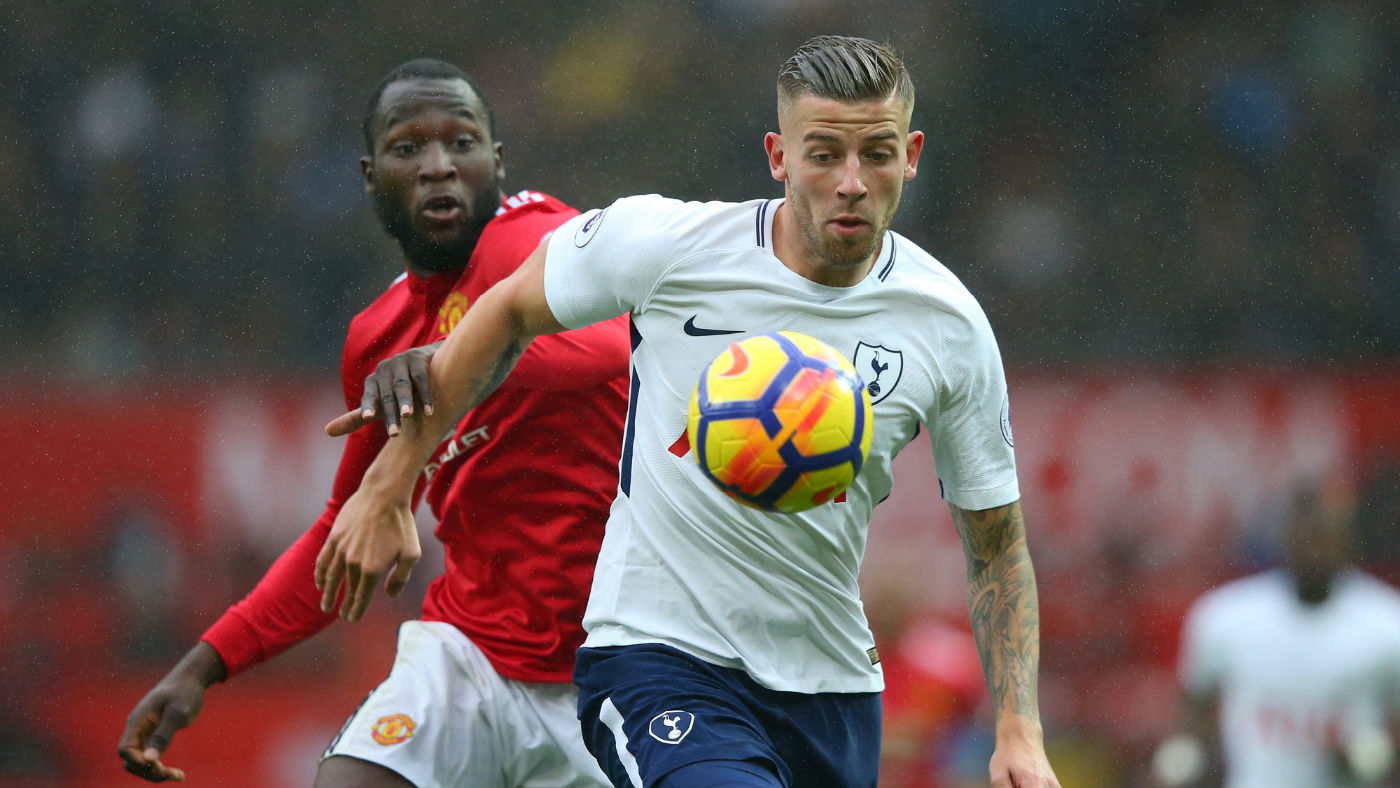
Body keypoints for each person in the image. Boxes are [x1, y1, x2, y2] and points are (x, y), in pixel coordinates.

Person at [320, 36, 1059, 788]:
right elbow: (507, 306)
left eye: (876, 153)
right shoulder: (670, 246)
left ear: (912, 155)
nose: (850, 182)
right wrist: (389, 483)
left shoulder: (947, 324)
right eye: (824, 153)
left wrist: (1019, 730)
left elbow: (997, 547)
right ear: (778, 155)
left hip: (832, 687)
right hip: (659, 659)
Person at [116, 58, 629, 787]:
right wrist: (204, 665)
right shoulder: (377, 337)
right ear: (369, 175)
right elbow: (342, 529)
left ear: (498, 162)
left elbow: (605, 351)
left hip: (622, 663)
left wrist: (444, 361)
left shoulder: (541, 243)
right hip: (471, 656)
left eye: (462, 143)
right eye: (408, 147)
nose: (438, 167)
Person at [1158, 482, 1400, 788]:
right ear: (1286, 537)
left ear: (1349, 540)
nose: (1314, 550)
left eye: (1325, 537)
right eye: (1307, 536)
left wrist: (1375, 756)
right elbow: (1196, 706)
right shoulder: (1226, 616)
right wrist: (1179, 763)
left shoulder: (1387, 624)